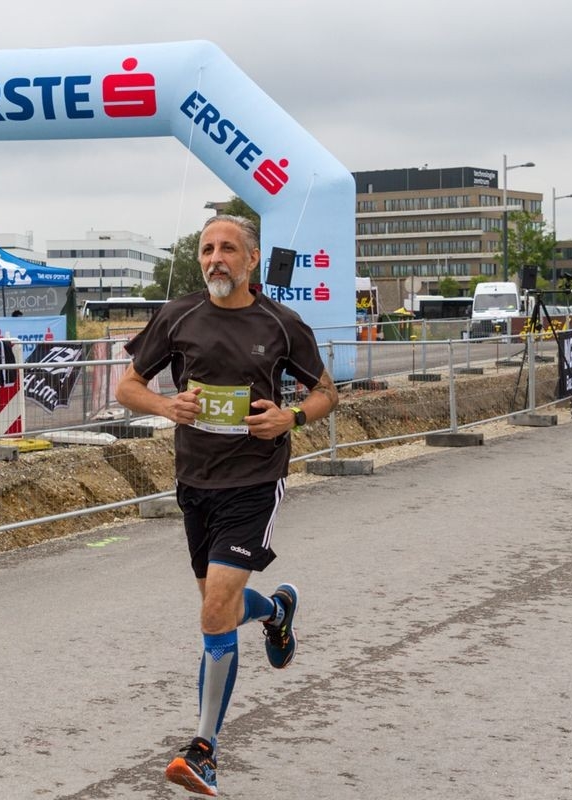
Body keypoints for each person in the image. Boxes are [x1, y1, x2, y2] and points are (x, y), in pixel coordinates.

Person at [115, 214, 338, 796]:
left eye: (228, 249)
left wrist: (289, 417)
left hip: (255, 481)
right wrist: (167, 409)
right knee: (224, 608)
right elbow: (128, 386)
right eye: (207, 250)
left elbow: (326, 392)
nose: (216, 258)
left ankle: (204, 749)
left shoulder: (282, 324)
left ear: (251, 260)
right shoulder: (179, 315)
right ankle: (275, 612)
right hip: (194, 481)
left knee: (214, 612)